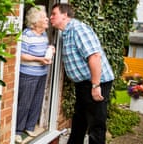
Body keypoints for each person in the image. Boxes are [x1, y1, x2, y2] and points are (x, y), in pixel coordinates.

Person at [50, 3, 114, 144]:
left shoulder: (78, 29)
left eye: (54, 14)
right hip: (83, 84)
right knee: (79, 119)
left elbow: (94, 57)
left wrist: (96, 85)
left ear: (65, 15)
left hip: (97, 81)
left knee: (96, 123)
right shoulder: (65, 33)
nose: (51, 17)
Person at [15, 5, 54, 143]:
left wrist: (50, 49)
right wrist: (39, 59)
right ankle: (17, 131)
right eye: (44, 18)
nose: (47, 19)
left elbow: (43, 50)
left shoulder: (43, 34)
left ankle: (29, 126)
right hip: (28, 74)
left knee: (37, 101)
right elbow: (21, 56)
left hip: (42, 73)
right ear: (35, 21)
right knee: (24, 102)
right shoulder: (27, 34)